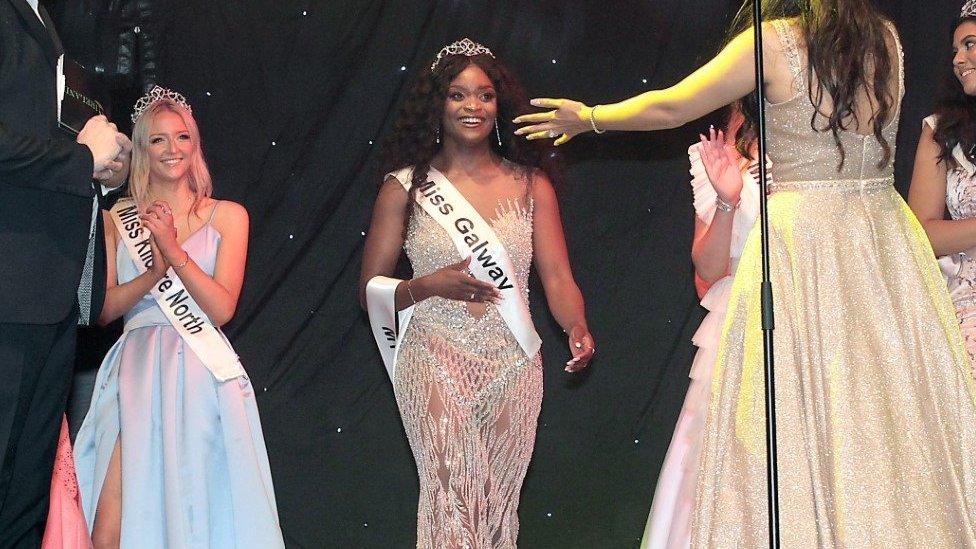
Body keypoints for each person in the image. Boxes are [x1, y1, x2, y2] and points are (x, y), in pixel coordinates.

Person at [515, 0, 976, 546]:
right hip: (878, 240)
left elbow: (671, 107)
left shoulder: (775, 41)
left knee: (791, 416)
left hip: (803, 242)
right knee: (879, 419)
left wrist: (590, 117)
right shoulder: (885, 39)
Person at [360, 38, 594, 548]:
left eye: (485, 96)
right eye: (458, 95)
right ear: (437, 105)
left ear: (499, 105)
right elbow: (371, 289)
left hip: (513, 360)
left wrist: (575, 325)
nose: (473, 107)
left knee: (496, 501)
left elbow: (556, 277)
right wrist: (428, 285)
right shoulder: (404, 187)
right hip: (433, 354)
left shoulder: (532, 185)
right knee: (453, 492)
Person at [72, 87, 284, 548]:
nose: (173, 150)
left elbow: (222, 307)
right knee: (108, 528)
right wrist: (154, 273)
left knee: (196, 516)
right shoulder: (117, 218)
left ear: (196, 143)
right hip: (134, 369)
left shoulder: (228, 216)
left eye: (182, 137)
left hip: (200, 372)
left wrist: (171, 249)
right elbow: (104, 308)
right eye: (158, 140)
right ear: (142, 149)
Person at [0, 0, 129, 545]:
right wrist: (79, 160)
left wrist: (102, 168)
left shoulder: (42, 19)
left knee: (23, 502)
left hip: (49, 293)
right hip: (10, 288)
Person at [641, 123, 765, 548]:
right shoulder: (720, 150)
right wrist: (728, 201)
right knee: (729, 463)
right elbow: (707, 275)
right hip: (742, 323)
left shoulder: (827, 132)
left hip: (815, 315)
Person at [908, 2, 976, 378]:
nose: (959, 59)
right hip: (969, 308)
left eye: (969, 44)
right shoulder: (940, 133)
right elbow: (922, 234)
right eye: (955, 50)